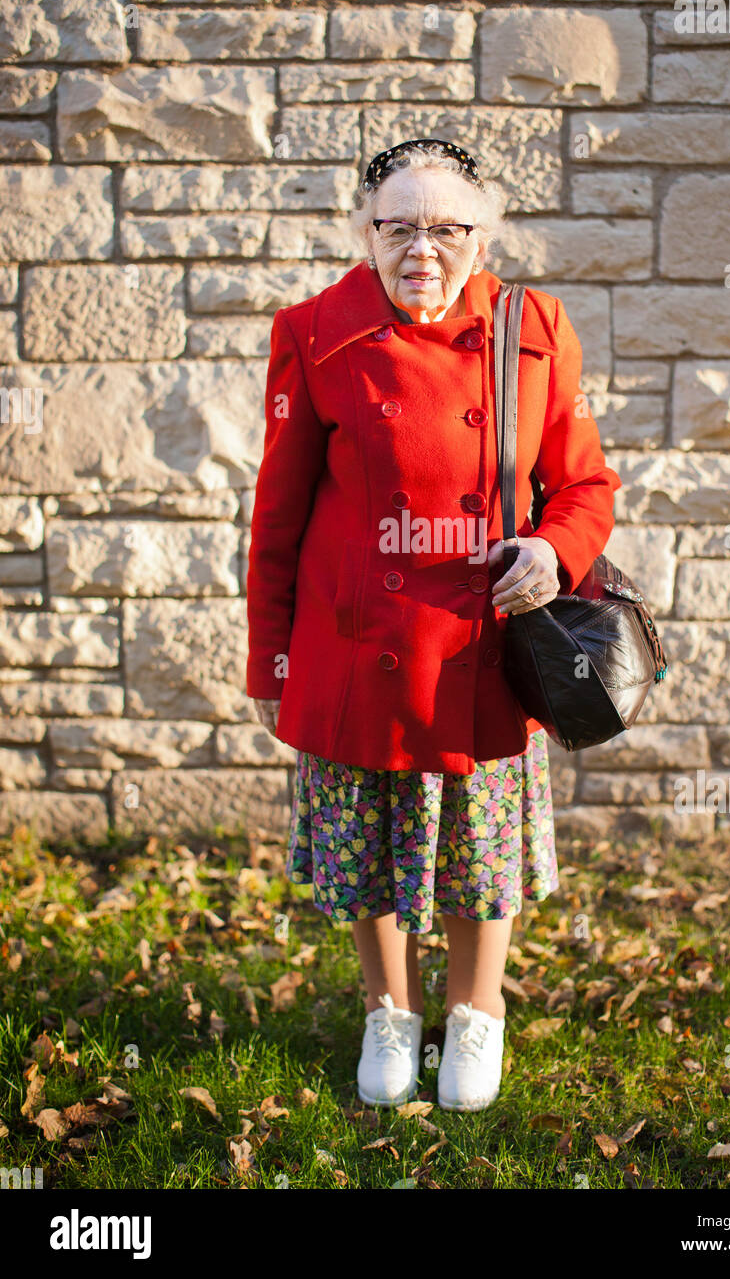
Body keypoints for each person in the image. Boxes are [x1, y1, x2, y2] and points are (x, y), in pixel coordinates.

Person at [246, 137, 621, 1111]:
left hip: (481, 649)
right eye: (397, 226)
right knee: (362, 844)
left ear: (481, 232)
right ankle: (387, 1011)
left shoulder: (529, 325)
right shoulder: (312, 331)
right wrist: (268, 663)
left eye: (446, 227)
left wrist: (551, 550)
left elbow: (582, 483)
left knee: (479, 853)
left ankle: (474, 1013)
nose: (421, 247)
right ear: (362, 232)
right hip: (349, 643)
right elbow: (278, 514)